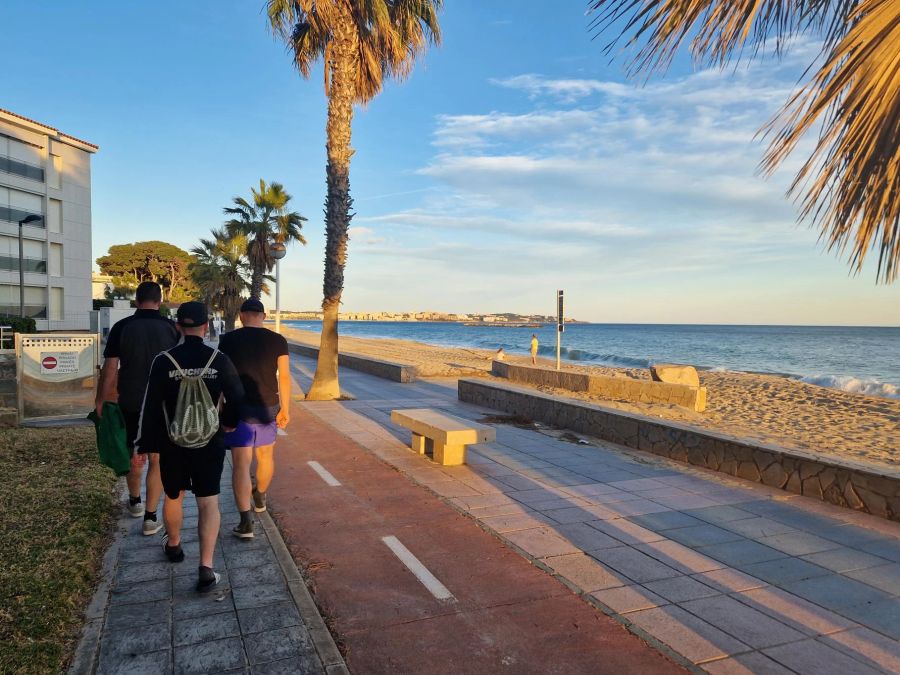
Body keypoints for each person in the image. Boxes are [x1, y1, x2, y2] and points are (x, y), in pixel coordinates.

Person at [136, 301, 244, 592]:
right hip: (209, 441)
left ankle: (173, 545)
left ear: (178, 327)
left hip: (172, 441)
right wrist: (228, 424)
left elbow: (150, 407)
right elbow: (238, 397)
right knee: (208, 501)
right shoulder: (218, 359)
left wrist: (144, 444)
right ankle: (206, 567)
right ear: (206, 325)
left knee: (174, 495)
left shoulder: (163, 360)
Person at [95, 281, 178, 534]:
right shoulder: (171, 328)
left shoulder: (122, 327)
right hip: (163, 402)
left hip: (131, 399)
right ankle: (151, 517)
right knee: (157, 458)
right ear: (160, 301)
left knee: (135, 453)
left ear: (136, 300)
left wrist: (100, 400)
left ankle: (135, 501)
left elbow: (110, 369)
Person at [218, 297, 292, 538]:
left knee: (241, 464)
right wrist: (286, 409)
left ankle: (245, 522)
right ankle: (260, 495)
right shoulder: (278, 340)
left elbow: (221, 376)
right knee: (266, 455)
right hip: (268, 406)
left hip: (237, 407)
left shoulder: (227, 340)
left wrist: (218, 405)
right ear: (263, 315)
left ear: (241, 315)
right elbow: (285, 377)